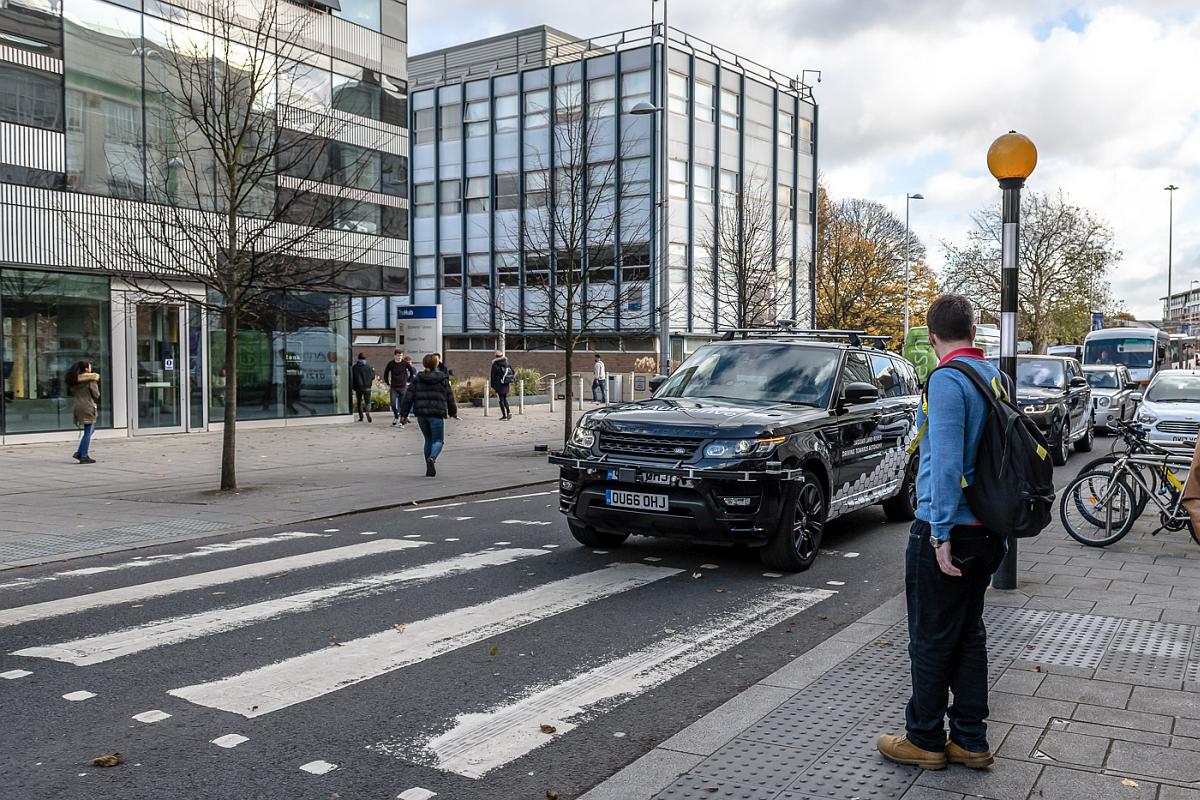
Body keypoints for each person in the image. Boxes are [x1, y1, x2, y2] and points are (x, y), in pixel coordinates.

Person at [877, 294, 1006, 772]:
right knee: (968, 633)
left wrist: (939, 535)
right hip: (989, 530)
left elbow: (948, 463)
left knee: (930, 636)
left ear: (932, 337)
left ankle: (925, 738)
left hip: (951, 528)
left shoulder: (947, 380)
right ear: (972, 330)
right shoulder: (996, 378)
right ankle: (971, 739)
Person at [401, 354, 458, 477]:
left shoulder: (418, 378)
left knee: (428, 439)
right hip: (436, 414)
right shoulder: (443, 378)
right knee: (438, 440)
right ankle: (432, 458)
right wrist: (453, 412)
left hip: (421, 414)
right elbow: (450, 397)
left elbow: (408, 397)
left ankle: (428, 466)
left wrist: (403, 414)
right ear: (436, 364)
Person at [65, 361, 100, 464]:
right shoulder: (91, 381)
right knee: (88, 432)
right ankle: (83, 456)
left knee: (90, 430)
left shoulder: (74, 381)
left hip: (78, 406)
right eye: (89, 366)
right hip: (88, 406)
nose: (91, 367)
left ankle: (79, 453)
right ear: (86, 369)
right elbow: (96, 394)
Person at [382, 350, 410, 426]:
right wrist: (387, 382)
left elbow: (412, 371)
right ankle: (396, 416)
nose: (399, 357)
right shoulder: (391, 364)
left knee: (402, 404)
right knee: (393, 404)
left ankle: (401, 421)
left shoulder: (405, 363)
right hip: (394, 386)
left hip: (403, 386)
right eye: (398, 355)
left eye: (401, 356)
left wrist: (409, 380)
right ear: (394, 356)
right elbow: (386, 372)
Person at [490, 351, 515, 421]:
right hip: (506, 383)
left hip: (498, 384)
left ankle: (504, 415)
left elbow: (493, 376)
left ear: (496, 356)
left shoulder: (495, 364)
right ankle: (508, 412)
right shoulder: (507, 363)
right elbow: (513, 372)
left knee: (500, 400)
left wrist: (492, 385)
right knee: (505, 398)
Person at [351, 353, 375, 422]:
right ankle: (367, 411)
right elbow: (373, 376)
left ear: (358, 358)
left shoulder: (354, 367)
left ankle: (361, 417)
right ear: (365, 359)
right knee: (368, 402)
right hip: (367, 387)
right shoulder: (369, 367)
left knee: (359, 402)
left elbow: (352, 377)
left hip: (358, 388)